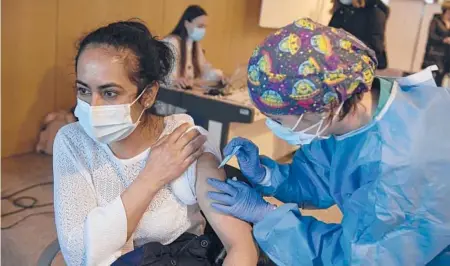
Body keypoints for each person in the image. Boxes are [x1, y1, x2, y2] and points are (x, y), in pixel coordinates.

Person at [207, 18, 450, 265]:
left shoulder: (396, 170)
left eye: (278, 119)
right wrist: (266, 175)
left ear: (318, 110)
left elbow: (355, 259)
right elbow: (322, 174)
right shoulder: (357, 105)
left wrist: (266, 216)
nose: (275, 126)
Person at [53, 20, 258, 266]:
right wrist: (152, 176)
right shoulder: (72, 141)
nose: (92, 107)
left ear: (148, 94)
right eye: (84, 90)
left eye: (109, 93)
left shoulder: (183, 141)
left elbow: (240, 246)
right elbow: (77, 256)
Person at [164, 5, 225, 89]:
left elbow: (204, 70)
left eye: (204, 27)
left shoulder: (195, 45)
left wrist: (218, 76)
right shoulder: (171, 42)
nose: (203, 30)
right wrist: (174, 80)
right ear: (186, 24)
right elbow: (163, 76)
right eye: (200, 26)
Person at [329, 0, 389, 70]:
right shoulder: (340, 11)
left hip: (360, 68)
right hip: (339, 64)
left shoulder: (374, 11)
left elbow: (375, 47)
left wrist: (347, 47)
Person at [422, 0, 450, 87]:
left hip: (446, 57)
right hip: (435, 55)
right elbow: (431, 36)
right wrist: (443, 40)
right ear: (446, 10)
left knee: (440, 81)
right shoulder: (436, 20)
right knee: (431, 80)